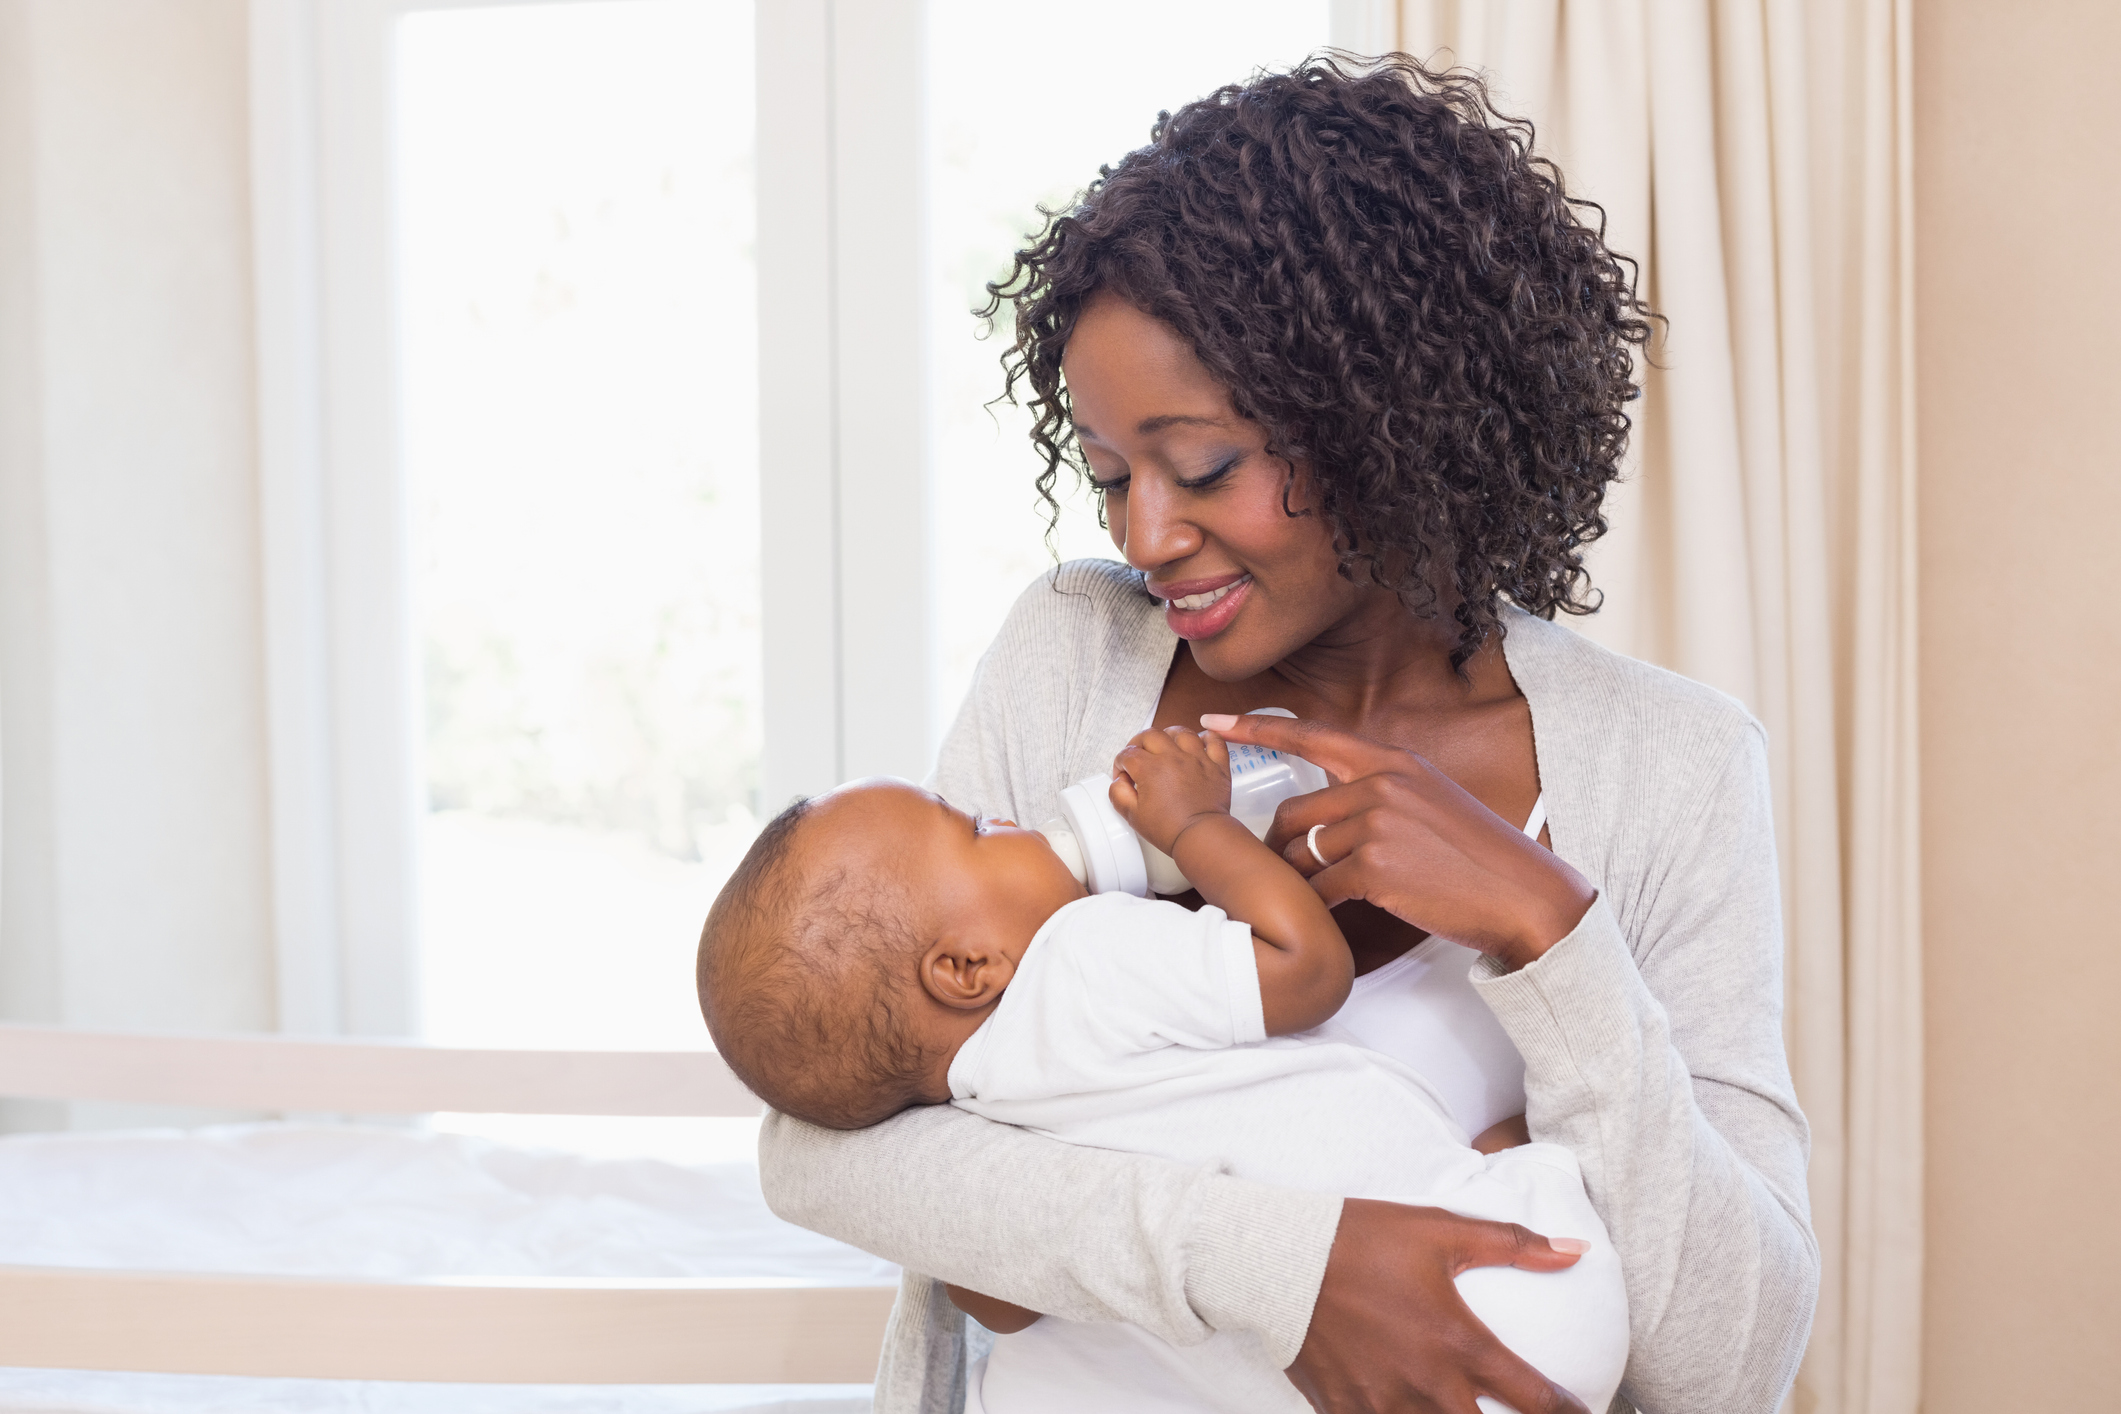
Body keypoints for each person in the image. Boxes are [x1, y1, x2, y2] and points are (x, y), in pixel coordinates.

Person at [757, 54, 1816, 1414]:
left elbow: (1733, 1359)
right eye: (1108, 473)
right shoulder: (1074, 658)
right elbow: (833, 1154)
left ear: (1394, 422)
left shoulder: (1669, 767)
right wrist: (1295, 1271)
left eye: (1202, 469)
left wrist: (1553, 935)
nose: (1145, 536)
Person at [697, 728, 1630, 1412]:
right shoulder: (1080, 957)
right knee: (1530, 1169)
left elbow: (1002, 1302)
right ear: (965, 970)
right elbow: (1305, 971)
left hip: (1364, 1362)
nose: (1013, 816)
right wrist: (1195, 829)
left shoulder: (974, 1099)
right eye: (980, 830)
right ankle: (1518, 1169)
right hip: (1519, 1324)